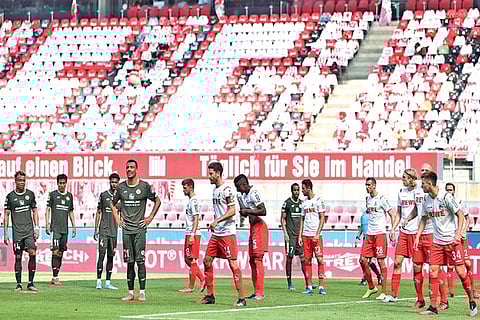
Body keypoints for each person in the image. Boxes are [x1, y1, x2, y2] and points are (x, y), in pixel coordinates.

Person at [415, 171, 477, 316]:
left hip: (452, 242)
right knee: (433, 271)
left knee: (461, 273)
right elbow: (424, 219)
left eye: (423, 183)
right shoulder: (426, 199)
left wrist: (458, 234)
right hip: (436, 242)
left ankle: (472, 301)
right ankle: (433, 306)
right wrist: (418, 236)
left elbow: (460, 215)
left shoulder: (445, 197)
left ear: (429, 184)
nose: (421, 186)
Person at [110, 159, 161, 301]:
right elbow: (112, 203)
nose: (129, 169)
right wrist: (117, 219)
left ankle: (143, 291)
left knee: (140, 261)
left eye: (132, 167)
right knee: (130, 262)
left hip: (139, 229)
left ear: (136, 170)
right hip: (126, 230)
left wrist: (150, 217)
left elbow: (158, 201)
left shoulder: (145, 187)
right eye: (127, 167)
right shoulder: (120, 188)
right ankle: (131, 292)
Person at [201, 162, 246, 306]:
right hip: (217, 234)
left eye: (211, 173)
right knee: (207, 261)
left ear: (218, 173)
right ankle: (210, 296)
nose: (209, 176)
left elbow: (232, 211)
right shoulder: (215, 189)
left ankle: (242, 298)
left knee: (233, 265)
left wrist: (217, 221)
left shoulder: (227, 190)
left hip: (227, 233)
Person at [383, 169, 424, 302]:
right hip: (404, 233)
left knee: (417, 266)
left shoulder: (420, 192)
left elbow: (419, 211)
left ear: (412, 179)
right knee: (397, 262)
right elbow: (399, 212)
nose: (402, 180)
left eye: (405, 177)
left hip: (416, 232)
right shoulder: (401, 192)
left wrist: (409, 221)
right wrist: (393, 228)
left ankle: (420, 297)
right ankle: (394, 295)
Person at [3, 170, 40, 291]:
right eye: (19, 180)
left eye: (23, 180)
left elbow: (34, 211)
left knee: (32, 253)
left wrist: (37, 228)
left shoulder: (30, 194)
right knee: (18, 256)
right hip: (17, 232)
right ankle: (19, 283)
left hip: (29, 231)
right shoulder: (10, 197)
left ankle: (31, 283)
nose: (22, 182)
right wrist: (5, 234)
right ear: (15, 181)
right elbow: (6, 215)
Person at [359, 177, 394, 300]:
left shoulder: (382, 199)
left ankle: (384, 292)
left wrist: (393, 229)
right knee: (362, 260)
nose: (367, 187)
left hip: (380, 234)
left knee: (380, 261)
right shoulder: (367, 199)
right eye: (366, 185)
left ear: (374, 185)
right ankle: (371, 287)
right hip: (369, 234)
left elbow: (392, 213)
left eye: (368, 185)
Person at [234, 174, 268, 300]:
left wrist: (247, 211)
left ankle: (260, 292)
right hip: (253, 227)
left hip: (259, 226)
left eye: (238, 187)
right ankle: (256, 291)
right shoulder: (243, 195)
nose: (237, 189)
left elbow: (263, 210)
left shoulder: (254, 193)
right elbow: (244, 212)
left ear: (244, 184)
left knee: (257, 259)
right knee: (252, 260)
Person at [444, 182, 479, 299]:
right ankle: (450, 291)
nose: (449, 191)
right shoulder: (443, 202)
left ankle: (473, 290)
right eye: (447, 190)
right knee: (449, 265)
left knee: (468, 264)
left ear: (454, 191)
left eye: (451, 190)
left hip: (461, 237)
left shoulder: (459, 203)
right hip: (450, 237)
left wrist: (463, 231)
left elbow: (467, 218)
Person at [46, 174, 76, 286]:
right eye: (60, 183)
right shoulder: (53, 195)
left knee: (61, 252)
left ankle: (56, 274)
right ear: (57, 183)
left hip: (65, 229)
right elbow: (48, 209)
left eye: (64, 183)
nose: (62, 185)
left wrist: (73, 226)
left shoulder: (69, 196)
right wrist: (47, 223)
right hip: (55, 229)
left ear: (66, 183)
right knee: (55, 251)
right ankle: (54, 276)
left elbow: (71, 212)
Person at [298, 179, 327, 295]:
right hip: (306, 235)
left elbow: (322, 218)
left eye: (303, 188)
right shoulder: (303, 203)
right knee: (307, 260)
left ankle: (321, 286)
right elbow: (302, 219)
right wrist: (300, 235)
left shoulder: (319, 200)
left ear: (308, 188)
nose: (302, 191)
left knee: (320, 259)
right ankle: (309, 286)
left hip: (316, 236)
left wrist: (317, 233)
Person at [178, 178, 206, 293]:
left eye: (184, 188)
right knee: (187, 259)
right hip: (189, 232)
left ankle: (191, 287)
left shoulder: (194, 201)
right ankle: (203, 279)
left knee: (192, 260)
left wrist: (193, 234)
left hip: (193, 233)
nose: (183, 190)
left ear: (190, 187)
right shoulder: (190, 201)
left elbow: (196, 218)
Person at [94, 172, 121, 290]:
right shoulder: (103, 195)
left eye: (116, 182)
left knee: (111, 256)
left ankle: (108, 282)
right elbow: (99, 212)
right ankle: (98, 281)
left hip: (114, 231)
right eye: (112, 182)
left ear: (118, 183)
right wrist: (95, 229)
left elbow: (123, 214)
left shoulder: (120, 198)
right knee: (101, 255)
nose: (114, 184)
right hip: (104, 230)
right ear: (109, 182)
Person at [281, 183, 309, 291]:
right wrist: (285, 233)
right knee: (290, 258)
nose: (297, 192)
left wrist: (302, 234)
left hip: (299, 236)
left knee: (303, 258)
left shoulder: (302, 204)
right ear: (291, 191)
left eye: (298, 190)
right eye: (295, 190)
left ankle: (308, 282)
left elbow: (304, 219)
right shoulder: (287, 203)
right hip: (290, 235)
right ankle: (289, 283)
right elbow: (282, 219)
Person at [354, 210, 382, 287]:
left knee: (367, 261)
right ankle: (375, 276)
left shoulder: (374, 214)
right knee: (362, 260)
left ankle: (367, 278)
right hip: (365, 240)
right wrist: (357, 237)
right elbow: (362, 227)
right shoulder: (363, 215)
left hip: (373, 239)